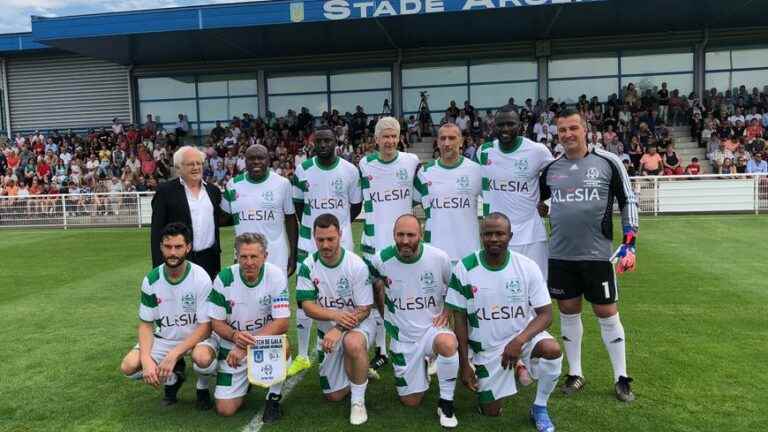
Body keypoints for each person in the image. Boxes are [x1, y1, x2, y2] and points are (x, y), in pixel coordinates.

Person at [540, 108, 639, 402]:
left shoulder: (608, 162)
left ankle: (621, 377)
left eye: (573, 128)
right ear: (557, 135)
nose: (568, 135)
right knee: (568, 313)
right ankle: (576, 372)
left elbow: (628, 199)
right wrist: (543, 208)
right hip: (560, 255)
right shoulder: (551, 169)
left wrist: (630, 241)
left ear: (586, 129)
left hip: (598, 255)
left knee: (606, 313)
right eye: (562, 131)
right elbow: (541, 202)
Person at [448, 213, 562, 432]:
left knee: (552, 349)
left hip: (521, 338)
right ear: (481, 236)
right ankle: (514, 368)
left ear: (510, 236)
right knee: (491, 411)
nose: (493, 239)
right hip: (487, 349)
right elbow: (459, 319)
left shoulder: (527, 267)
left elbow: (546, 314)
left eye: (499, 233)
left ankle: (539, 407)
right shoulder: (465, 267)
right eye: (488, 234)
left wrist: (519, 341)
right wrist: (464, 363)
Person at [368, 214, 459, 428]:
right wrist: (384, 314)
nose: (405, 240)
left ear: (421, 235)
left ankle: (446, 402)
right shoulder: (380, 259)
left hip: (432, 330)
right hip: (403, 337)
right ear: (393, 236)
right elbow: (371, 284)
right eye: (400, 235)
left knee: (447, 344)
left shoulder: (439, 257)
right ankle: (423, 364)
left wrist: (447, 309)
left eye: (411, 235)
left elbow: (455, 286)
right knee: (411, 402)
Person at [119, 222, 217, 410]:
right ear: (161, 247)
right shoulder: (151, 280)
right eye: (168, 247)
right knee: (129, 367)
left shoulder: (200, 277)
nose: (173, 252)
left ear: (188, 247)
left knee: (203, 359)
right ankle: (173, 377)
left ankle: (202, 387)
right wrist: (147, 360)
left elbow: (206, 327)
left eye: (178, 247)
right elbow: (146, 324)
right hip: (165, 338)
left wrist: (174, 354)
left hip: (197, 337)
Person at [289, 128, 363, 376]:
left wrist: (338, 228)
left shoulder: (350, 170)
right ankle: (301, 355)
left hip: (341, 243)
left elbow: (356, 205)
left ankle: (349, 348)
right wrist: (313, 229)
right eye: (318, 141)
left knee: (345, 295)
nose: (322, 144)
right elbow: (298, 204)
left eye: (327, 140)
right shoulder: (303, 169)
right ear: (313, 143)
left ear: (336, 143)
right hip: (309, 242)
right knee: (304, 298)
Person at [295, 214, 374, 425]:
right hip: (328, 333)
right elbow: (307, 305)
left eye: (330, 239)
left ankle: (358, 402)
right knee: (334, 396)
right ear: (314, 237)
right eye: (320, 240)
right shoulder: (308, 265)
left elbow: (365, 309)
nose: (325, 245)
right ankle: (361, 370)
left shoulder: (356, 265)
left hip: (359, 327)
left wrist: (339, 327)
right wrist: (334, 316)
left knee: (352, 343)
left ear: (340, 234)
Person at [357, 117, 421, 374]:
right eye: (385, 136)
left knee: (405, 295)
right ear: (376, 139)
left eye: (394, 136)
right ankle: (382, 350)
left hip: (401, 242)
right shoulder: (365, 164)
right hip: (373, 241)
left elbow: (418, 197)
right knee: (376, 297)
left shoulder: (411, 162)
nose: (390, 141)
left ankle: (408, 342)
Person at [207, 233, 290, 422]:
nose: (249, 262)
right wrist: (235, 336)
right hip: (232, 348)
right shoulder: (224, 278)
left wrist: (245, 346)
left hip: (262, 344)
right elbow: (216, 322)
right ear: (236, 256)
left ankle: (273, 398)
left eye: (254, 256)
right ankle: (244, 382)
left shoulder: (275, 276)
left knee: (284, 347)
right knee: (225, 409)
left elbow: (282, 322)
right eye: (243, 256)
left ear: (265, 256)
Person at [477, 107, 553, 279]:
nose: (505, 129)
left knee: (536, 290)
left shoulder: (537, 151)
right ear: (494, 127)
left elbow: (557, 177)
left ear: (520, 126)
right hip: (496, 237)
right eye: (500, 125)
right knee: (500, 290)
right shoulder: (484, 151)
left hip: (531, 235)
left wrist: (544, 200)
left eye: (510, 124)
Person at [221, 144, 298, 276]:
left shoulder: (282, 183)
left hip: (276, 255)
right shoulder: (233, 184)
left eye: (260, 158)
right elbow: (223, 218)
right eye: (251, 158)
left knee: (277, 296)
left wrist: (293, 254)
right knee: (245, 295)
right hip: (245, 256)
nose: (256, 161)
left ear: (268, 160)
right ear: (245, 161)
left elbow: (291, 220)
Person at [151, 146, 225, 280]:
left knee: (208, 300)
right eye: (190, 164)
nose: (196, 167)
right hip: (179, 260)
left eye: (199, 163)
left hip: (210, 261)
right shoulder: (165, 192)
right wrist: (158, 268)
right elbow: (157, 232)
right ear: (179, 167)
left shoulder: (213, 191)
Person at [414, 123, 482, 262]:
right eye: (443, 138)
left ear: (461, 141)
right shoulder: (425, 172)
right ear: (437, 142)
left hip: (468, 253)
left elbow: (495, 202)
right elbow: (408, 203)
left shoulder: (476, 170)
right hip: (434, 253)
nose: (447, 143)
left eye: (452, 138)